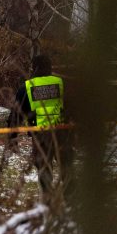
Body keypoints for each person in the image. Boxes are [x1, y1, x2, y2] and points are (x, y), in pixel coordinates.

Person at [15, 54, 73, 204]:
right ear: (50, 68)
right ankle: (70, 198)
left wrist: (12, 137)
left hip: (41, 137)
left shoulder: (27, 87)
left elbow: (16, 114)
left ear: (34, 68)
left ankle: (47, 200)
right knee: (66, 166)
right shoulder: (61, 83)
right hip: (62, 132)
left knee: (44, 168)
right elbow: (72, 107)